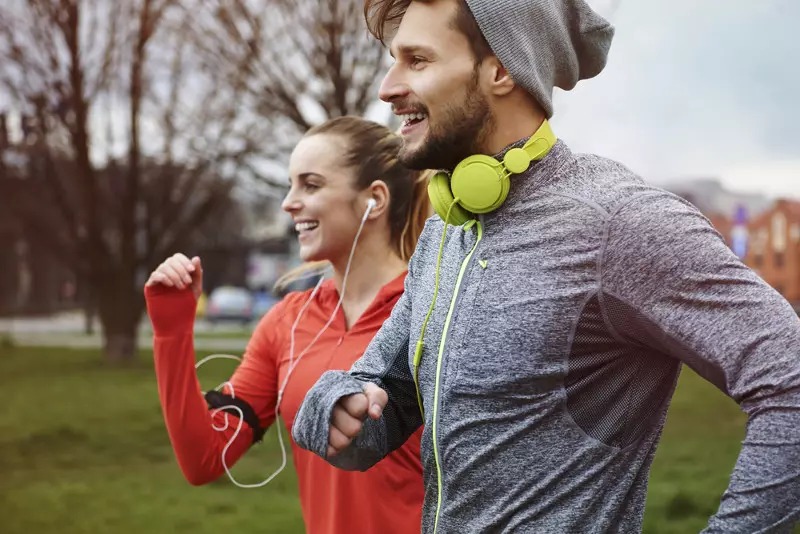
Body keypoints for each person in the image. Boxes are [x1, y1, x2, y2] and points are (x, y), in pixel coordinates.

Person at [291, 1, 800, 533]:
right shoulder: (449, 227)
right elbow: (381, 401)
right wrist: (336, 404)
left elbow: (790, 378)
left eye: (417, 60)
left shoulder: (618, 222)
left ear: (502, 69)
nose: (388, 87)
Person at [144, 116, 432, 534]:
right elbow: (204, 458)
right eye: (291, 184)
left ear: (374, 199)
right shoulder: (287, 322)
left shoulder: (435, 310)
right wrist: (171, 331)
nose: (288, 203)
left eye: (310, 185)